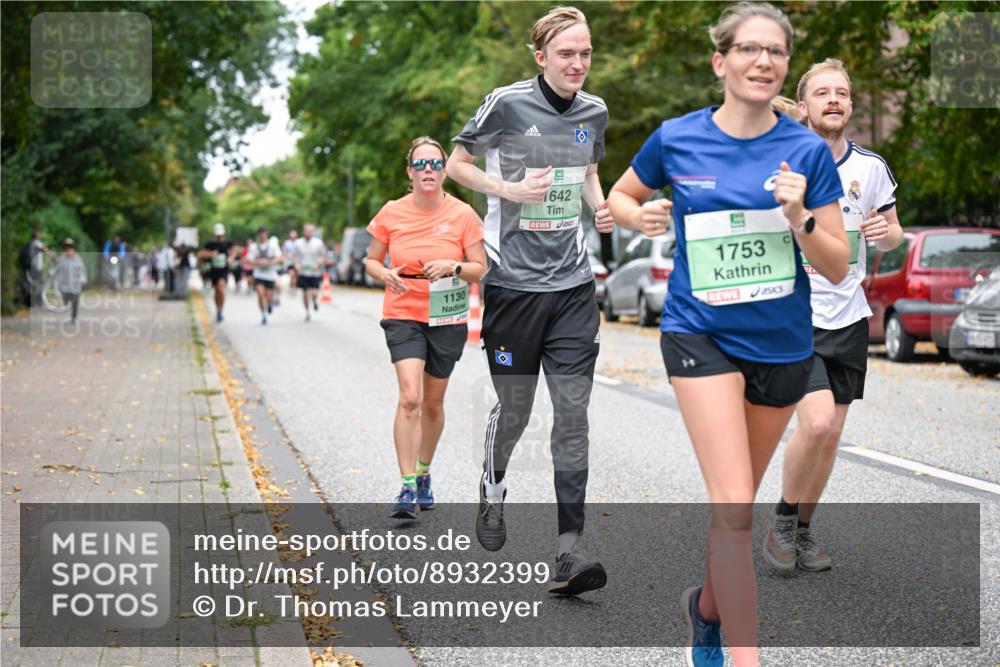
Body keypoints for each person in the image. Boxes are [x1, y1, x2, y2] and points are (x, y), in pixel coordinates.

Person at [606, 3, 849, 665]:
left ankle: (706, 610)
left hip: (781, 346)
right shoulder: (676, 138)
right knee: (736, 503)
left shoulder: (806, 151)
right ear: (721, 61)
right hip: (699, 334)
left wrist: (799, 217)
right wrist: (639, 215)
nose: (763, 61)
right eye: (749, 49)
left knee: (732, 513)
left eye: (776, 51)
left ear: (786, 67)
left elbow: (837, 262)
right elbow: (620, 197)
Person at [446, 5, 614, 596]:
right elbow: (456, 165)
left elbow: (588, 170)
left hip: (572, 286)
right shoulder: (507, 103)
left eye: (585, 53)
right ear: (541, 56)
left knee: (572, 413)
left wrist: (600, 205)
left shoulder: (594, 111)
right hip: (512, 286)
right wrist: (507, 189)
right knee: (515, 409)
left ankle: (569, 550)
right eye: (566, 53)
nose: (578, 63)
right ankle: (493, 489)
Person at [765, 59, 903, 573]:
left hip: (848, 318)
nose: (834, 100)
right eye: (822, 93)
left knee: (830, 435)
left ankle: (802, 530)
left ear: (850, 104)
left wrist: (884, 234)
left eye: (841, 92)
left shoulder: (871, 167)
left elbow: (894, 231)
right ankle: (782, 522)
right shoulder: (781, 164)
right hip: (794, 317)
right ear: (804, 106)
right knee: (817, 420)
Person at [366, 136, 487, 519]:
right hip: (403, 313)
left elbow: (480, 268)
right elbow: (371, 260)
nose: (428, 170)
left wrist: (453, 266)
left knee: (433, 404)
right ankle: (405, 487)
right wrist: (384, 274)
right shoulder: (392, 212)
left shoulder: (463, 214)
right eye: (420, 164)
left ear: (444, 172)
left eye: (435, 163)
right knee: (410, 397)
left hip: (446, 318)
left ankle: (423, 472)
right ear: (410, 172)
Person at [199, 223, 236, 323]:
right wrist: (211, 254)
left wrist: (231, 258)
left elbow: (234, 251)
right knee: (217, 291)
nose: (219, 237)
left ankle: (221, 309)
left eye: (221, 236)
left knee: (221, 288)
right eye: (217, 236)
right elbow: (201, 254)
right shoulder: (210, 244)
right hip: (214, 270)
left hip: (224, 270)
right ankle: (218, 309)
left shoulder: (228, 243)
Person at [247, 227, 283, 325]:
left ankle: (270, 303)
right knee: (260, 294)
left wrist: (270, 262)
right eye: (260, 233)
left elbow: (280, 258)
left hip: (270, 275)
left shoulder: (273, 245)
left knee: (269, 296)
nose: (262, 235)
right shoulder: (253, 246)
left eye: (264, 233)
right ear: (258, 235)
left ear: (267, 234)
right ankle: (263, 314)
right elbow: (248, 259)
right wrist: (258, 262)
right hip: (258, 274)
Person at [294, 224, 326, 321]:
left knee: (314, 292)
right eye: (307, 231)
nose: (308, 233)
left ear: (312, 232)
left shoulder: (318, 243)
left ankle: (314, 300)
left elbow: (323, 255)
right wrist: (296, 265)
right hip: (303, 272)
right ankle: (307, 311)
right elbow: (295, 256)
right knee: (304, 293)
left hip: (315, 272)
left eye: (310, 231)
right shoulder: (298, 243)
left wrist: (319, 263)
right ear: (304, 231)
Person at [54, 239, 87, 322]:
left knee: (75, 300)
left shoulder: (78, 258)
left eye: (70, 249)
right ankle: (68, 304)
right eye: (67, 249)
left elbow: (82, 269)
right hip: (65, 283)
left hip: (75, 283)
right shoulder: (62, 258)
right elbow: (57, 270)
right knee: (67, 299)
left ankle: (74, 317)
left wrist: (82, 278)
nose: (68, 251)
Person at [282, 229, 299, 302]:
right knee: (292, 275)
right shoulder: (287, 243)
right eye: (292, 234)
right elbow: (284, 252)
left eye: (294, 234)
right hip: (289, 262)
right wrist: (287, 256)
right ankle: (291, 288)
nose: (293, 235)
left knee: (296, 276)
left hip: (297, 262)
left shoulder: (299, 242)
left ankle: (294, 287)